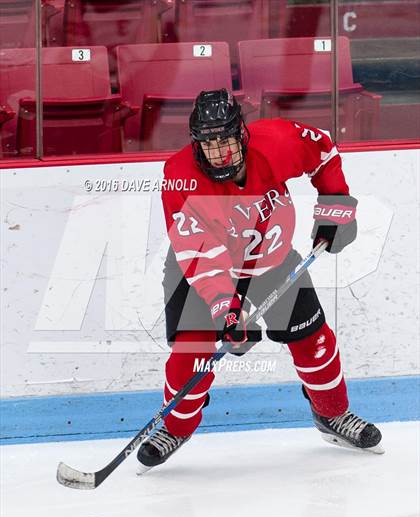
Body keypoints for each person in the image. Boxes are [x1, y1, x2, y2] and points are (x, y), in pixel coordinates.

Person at [137, 89, 383, 473]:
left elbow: (323, 150)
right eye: (209, 143)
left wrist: (336, 204)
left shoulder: (276, 142)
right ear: (196, 144)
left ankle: (333, 415)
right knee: (191, 354)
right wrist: (227, 311)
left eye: (226, 140)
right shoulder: (179, 177)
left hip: (272, 258)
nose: (220, 152)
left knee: (314, 342)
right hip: (201, 267)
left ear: (242, 134)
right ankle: (175, 428)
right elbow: (201, 256)